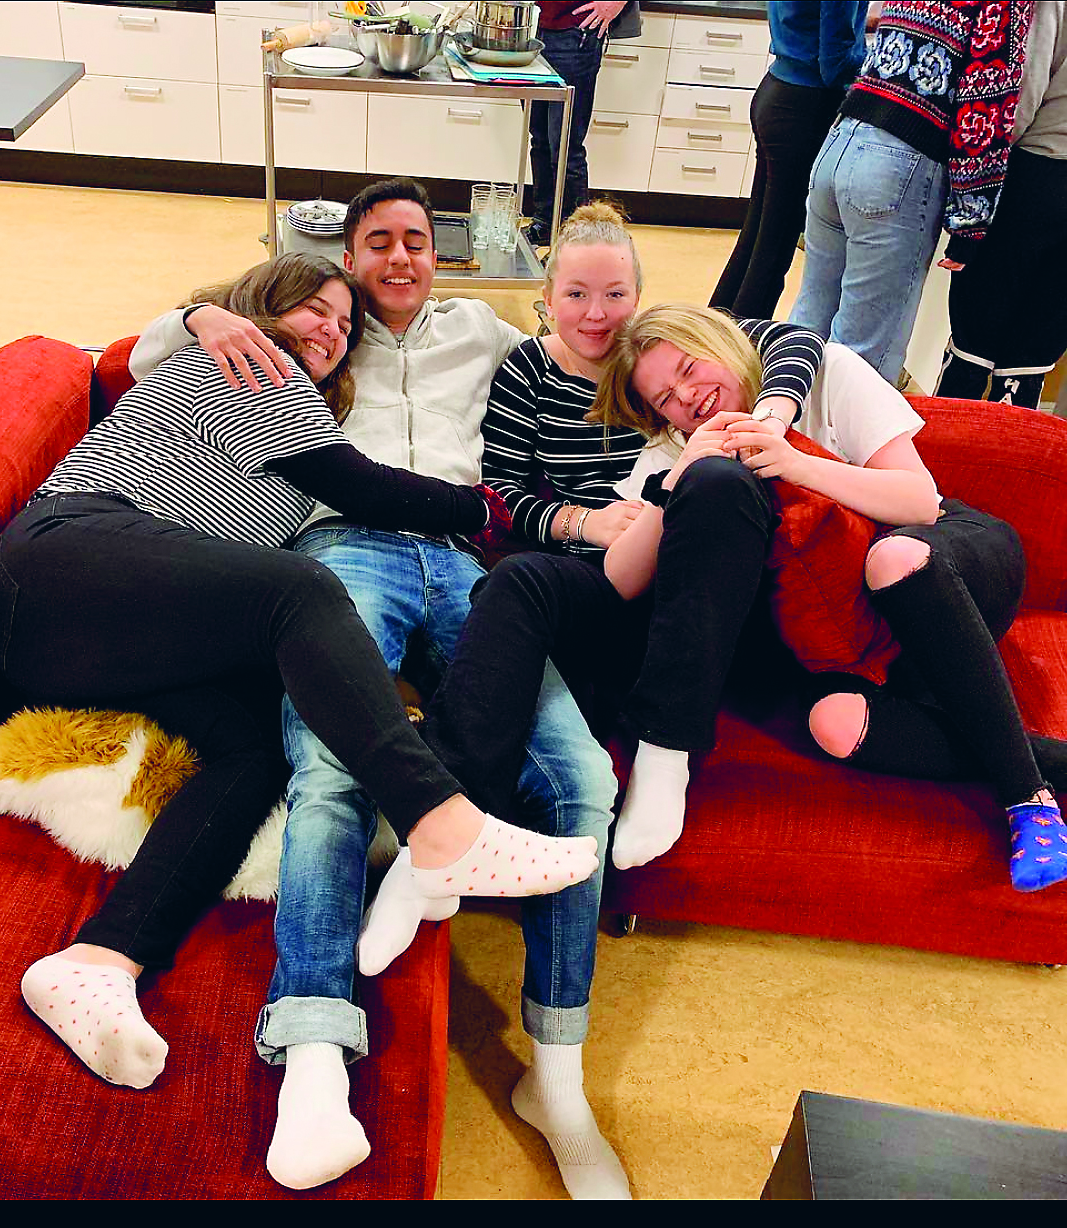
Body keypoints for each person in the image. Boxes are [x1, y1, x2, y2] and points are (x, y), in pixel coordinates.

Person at [0, 250, 598, 1147]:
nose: (330, 331)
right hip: (65, 563)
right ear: (266, 307)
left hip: (103, 639)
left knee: (254, 751)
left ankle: (99, 959)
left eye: (344, 325)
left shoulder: (287, 407)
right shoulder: (249, 361)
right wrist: (493, 512)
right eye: (315, 308)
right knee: (301, 589)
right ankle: (442, 827)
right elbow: (364, 486)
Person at [130, 178, 620, 1197]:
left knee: (579, 774)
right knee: (332, 769)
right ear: (347, 258)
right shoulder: (314, 334)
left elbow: (600, 334)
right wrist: (199, 312)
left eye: (417, 241)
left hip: (470, 563)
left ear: (439, 256)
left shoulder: (484, 332)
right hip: (340, 549)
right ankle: (313, 1050)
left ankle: (557, 1078)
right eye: (379, 242)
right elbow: (140, 358)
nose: (400, 257)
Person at [379, 209, 823, 898]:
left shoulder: (665, 355)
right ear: (547, 298)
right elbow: (501, 492)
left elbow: (794, 339)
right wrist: (584, 522)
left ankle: (662, 754)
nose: (596, 314)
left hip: (701, 561)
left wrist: (771, 417)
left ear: (638, 296)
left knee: (712, 484)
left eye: (615, 294)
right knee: (519, 590)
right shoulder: (528, 368)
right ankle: (444, 835)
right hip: (597, 567)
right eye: (577, 294)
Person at [588, 302, 1067, 892]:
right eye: (665, 398)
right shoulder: (677, 447)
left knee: (892, 560)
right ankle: (1052, 762)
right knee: (834, 725)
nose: (687, 396)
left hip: (935, 567)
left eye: (690, 368)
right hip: (841, 637)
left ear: (721, 344)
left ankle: (1028, 796)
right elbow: (619, 577)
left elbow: (920, 502)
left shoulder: (824, 375)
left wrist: (793, 462)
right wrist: (679, 476)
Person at [789, 0, 1035, 386]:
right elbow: (986, 101)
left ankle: (773, 419)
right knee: (862, 362)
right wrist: (970, 220)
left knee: (806, 328)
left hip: (842, 140)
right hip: (899, 164)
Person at [934, 0, 1067, 409]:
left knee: (975, 339)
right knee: (1034, 353)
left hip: (1033, 175)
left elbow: (1022, 90)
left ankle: (948, 437)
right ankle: (1012, 441)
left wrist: (978, 173)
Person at [709, 0, 868, 319]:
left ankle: (711, 331)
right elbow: (835, 63)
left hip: (777, 91)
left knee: (757, 239)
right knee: (772, 254)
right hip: (804, 108)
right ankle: (742, 344)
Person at [523, 1, 641, 248]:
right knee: (540, 140)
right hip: (532, 28)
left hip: (575, 32)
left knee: (565, 147)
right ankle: (545, 224)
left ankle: (578, 242)